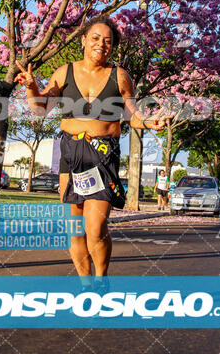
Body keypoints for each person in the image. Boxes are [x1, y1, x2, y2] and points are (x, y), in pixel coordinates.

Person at [15, 15, 168, 286]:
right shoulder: (65, 73)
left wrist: (148, 121)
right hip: (71, 153)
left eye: (108, 41)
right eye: (95, 38)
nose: (101, 45)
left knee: (95, 230)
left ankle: (101, 278)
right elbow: (40, 108)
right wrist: (31, 87)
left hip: (102, 155)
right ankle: (87, 286)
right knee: (75, 233)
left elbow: (131, 114)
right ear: (83, 40)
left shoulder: (120, 76)